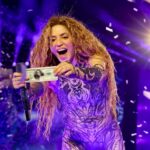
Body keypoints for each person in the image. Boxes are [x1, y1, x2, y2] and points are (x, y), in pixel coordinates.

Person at [12, 15, 125, 150]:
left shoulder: (94, 59)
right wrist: (24, 85)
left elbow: (97, 73)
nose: (58, 43)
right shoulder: (52, 71)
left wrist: (75, 71)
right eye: (53, 39)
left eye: (64, 37)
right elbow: (37, 89)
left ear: (76, 39)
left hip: (108, 138)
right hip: (74, 140)